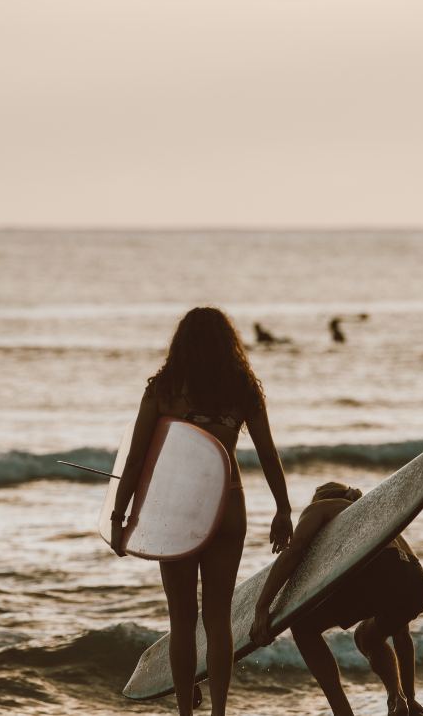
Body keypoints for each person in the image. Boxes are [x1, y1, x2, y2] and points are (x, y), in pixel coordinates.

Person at [109, 307, 293, 716]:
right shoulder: (242, 387)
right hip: (228, 503)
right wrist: (283, 509)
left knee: (182, 621)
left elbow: (137, 457)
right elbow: (268, 453)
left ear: (182, 343)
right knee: (218, 618)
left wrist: (118, 518)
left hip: (177, 509)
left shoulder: (165, 387)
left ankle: (186, 714)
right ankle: (219, 712)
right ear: (229, 344)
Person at [251, 482, 423, 716]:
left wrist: (262, 606)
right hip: (419, 583)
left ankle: (342, 713)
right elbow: (403, 636)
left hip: (383, 570)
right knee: (367, 638)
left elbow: (296, 549)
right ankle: (398, 699)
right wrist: (411, 698)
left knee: (303, 626)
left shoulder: (320, 508)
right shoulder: (379, 520)